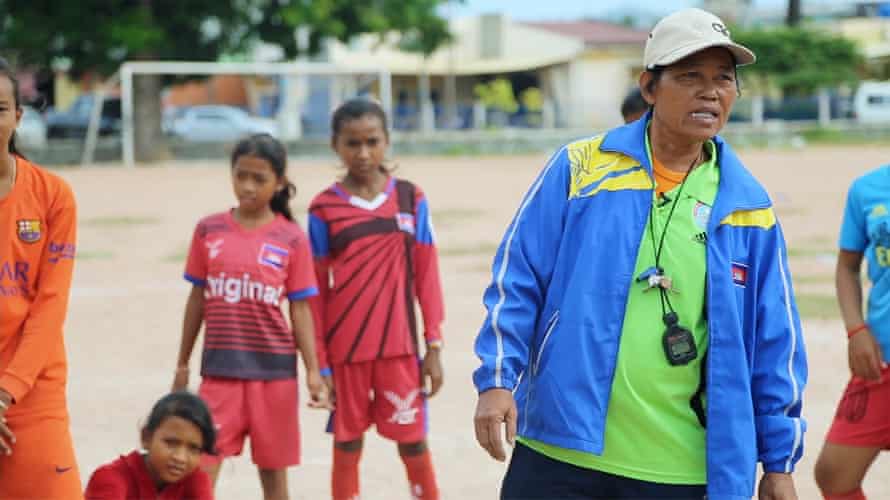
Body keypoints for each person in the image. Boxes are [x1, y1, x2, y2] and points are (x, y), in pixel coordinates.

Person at [472, 8, 808, 500]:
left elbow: (776, 340)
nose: (710, 92)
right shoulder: (581, 168)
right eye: (690, 76)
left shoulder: (747, 206)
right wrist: (498, 380)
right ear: (649, 87)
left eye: (723, 79)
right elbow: (517, 278)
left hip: (685, 469)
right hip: (562, 451)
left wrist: (778, 464)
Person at [171, 133, 327, 500]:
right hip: (219, 373)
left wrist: (313, 371)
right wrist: (182, 362)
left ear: (279, 183)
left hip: (274, 376)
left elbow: (300, 308)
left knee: (274, 478)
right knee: (200, 472)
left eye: (259, 179)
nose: (247, 186)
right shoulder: (209, 230)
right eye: (240, 175)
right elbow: (197, 300)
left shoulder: (291, 238)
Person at [308, 98, 445, 500]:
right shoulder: (323, 209)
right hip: (346, 352)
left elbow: (428, 275)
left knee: (413, 441)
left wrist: (433, 344)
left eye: (372, 141)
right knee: (347, 444)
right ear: (335, 145)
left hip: (400, 350)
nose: (363, 153)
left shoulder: (410, 199)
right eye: (352, 143)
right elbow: (313, 294)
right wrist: (319, 364)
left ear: (387, 142)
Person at [0, 56, 82, 499]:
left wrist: (6, 392)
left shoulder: (53, 196)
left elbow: (51, 306)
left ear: (17, 116)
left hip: (32, 394)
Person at [814, 166, 890, 500]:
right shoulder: (867, 189)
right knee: (833, 474)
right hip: (880, 361)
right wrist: (855, 329)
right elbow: (847, 266)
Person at [84, 391, 216, 499]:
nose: (180, 457)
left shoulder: (194, 480)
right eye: (171, 443)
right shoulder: (111, 478)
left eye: (193, 449)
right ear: (146, 437)